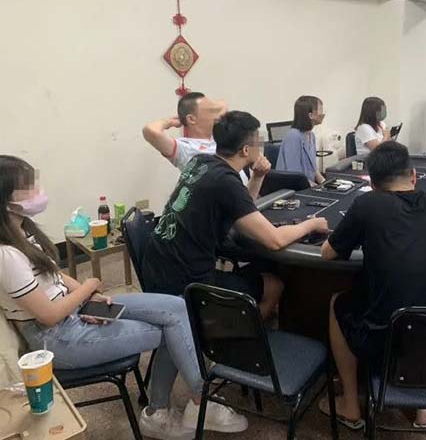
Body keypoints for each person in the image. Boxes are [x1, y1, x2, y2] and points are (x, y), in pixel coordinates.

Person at [0, 156, 248, 439]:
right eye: (28, 187)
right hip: (57, 337)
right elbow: (48, 315)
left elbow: (56, 275)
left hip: (72, 312)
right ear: (6, 200)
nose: (37, 191)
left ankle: (179, 406)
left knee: (179, 308)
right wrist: (87, 287)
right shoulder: (6, 255)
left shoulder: (25, 231)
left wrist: (89, 296)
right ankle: (192, 401)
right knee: (174, 330)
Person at [319, 142, 426, 430]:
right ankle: (425, 409)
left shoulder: (367, 204)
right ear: (413, 176)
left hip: (385, 342)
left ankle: (350, 405)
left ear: (373, 185)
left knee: (338, 301)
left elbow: (328, 253)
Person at [143, 111, 329, 319]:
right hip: (187, 282)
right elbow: (274, 240)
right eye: (258, 141)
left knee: (262, 266)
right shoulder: (226, 182)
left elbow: (239, 208)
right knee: (274, 285)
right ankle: (235, 335)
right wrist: (311, 224)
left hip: (158, 267)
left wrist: (257, 176)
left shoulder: (201, 161)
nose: (261, 146)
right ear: (246, 150)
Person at [142, 92, 271, 199]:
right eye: (211, 111)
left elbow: (223, 104)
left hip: (243, 196)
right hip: (220, 207)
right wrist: (171, 122)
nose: (218, 115)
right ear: (191, 119)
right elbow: (150, 131)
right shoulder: (184, 147)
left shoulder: (219, 137)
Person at [276, 95, 326, 185]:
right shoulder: (293, 136)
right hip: (292, 187)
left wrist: (325, 184)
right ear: (310, 115)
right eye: (320, 110)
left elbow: (313, 169)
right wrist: (316, 188)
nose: (323, 114)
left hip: (306, 185)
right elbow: (295, 175)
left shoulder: (311, 136)